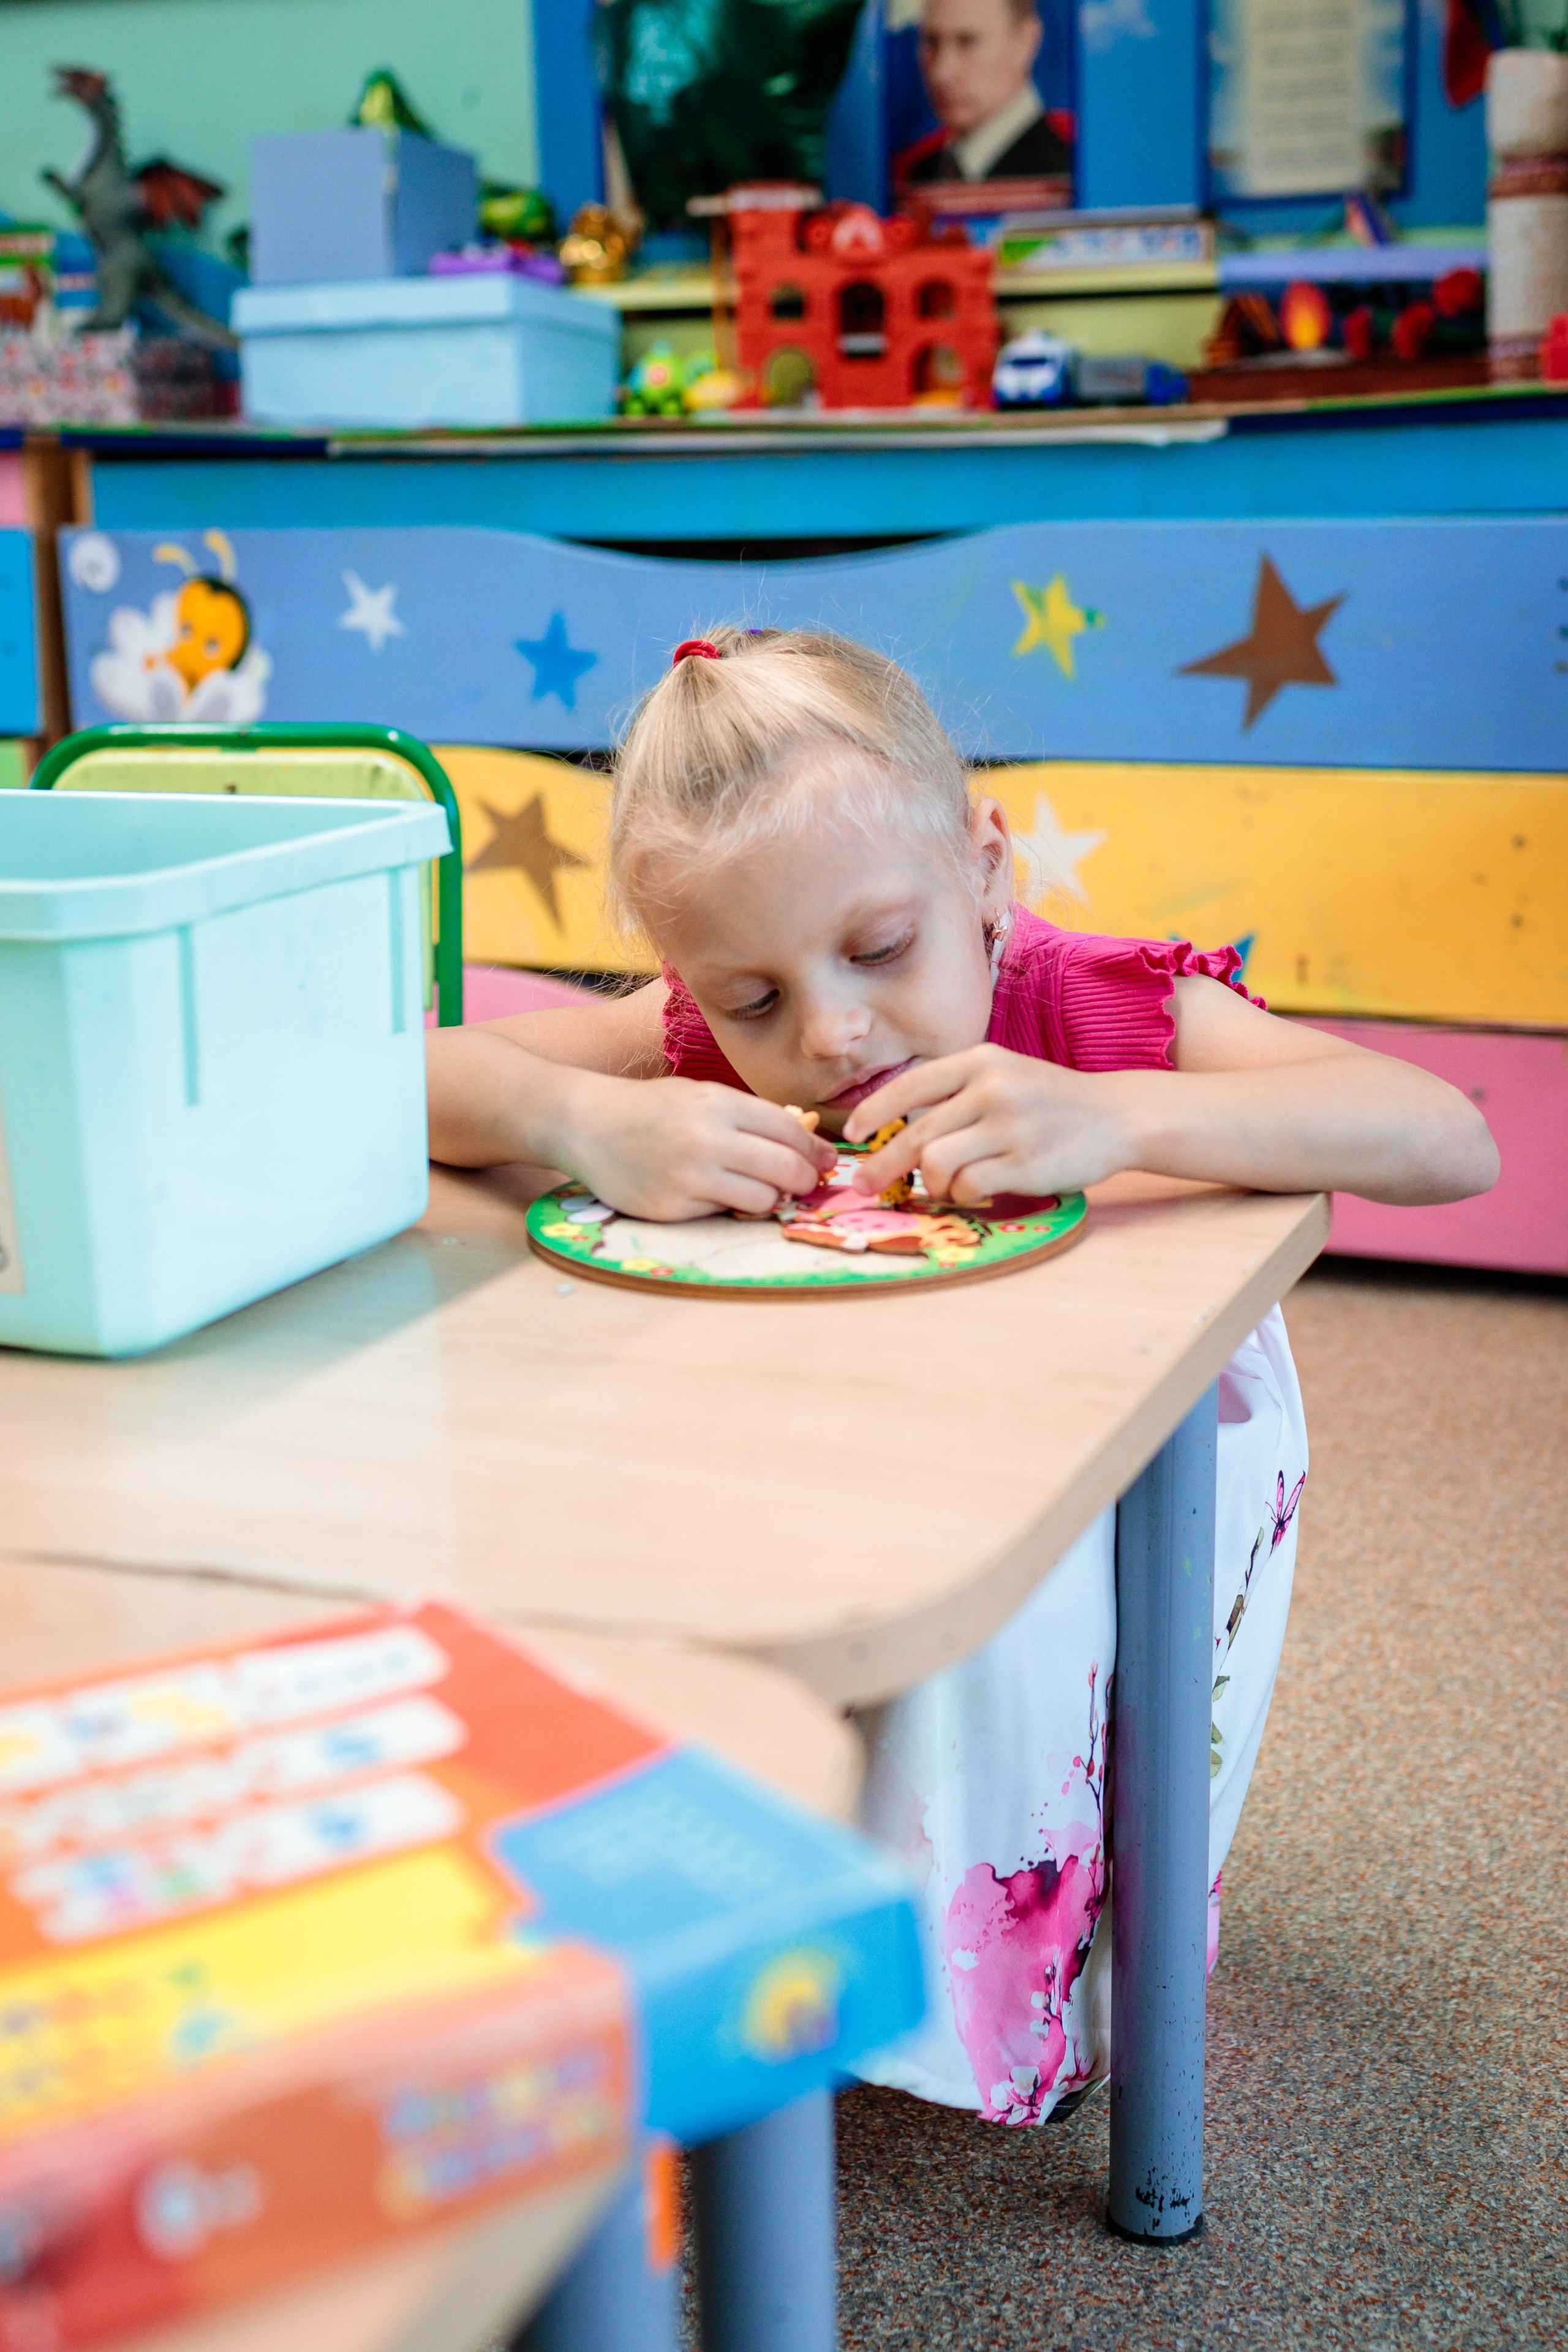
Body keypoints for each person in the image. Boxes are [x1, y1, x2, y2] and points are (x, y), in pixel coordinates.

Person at [427, 628, 1496, 2125]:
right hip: (838, 1440)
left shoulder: (1102, 1007)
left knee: (1013, 1666)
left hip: (1108, 1450)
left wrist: (1119, 1119)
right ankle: (795, 1939)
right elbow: (403, 1080)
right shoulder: (694, 1042)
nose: (827, 1032)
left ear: (983, 869)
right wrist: (574, 1114)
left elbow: (1444, 1136)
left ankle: (996, 1998)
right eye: (747, 998)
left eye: (876, 951)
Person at [900, 0, 1071, 186]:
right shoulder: (920, 172)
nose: (942, 72)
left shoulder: (1063, 179)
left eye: (968, 41)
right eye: (932, 42)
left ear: (1026, 41)